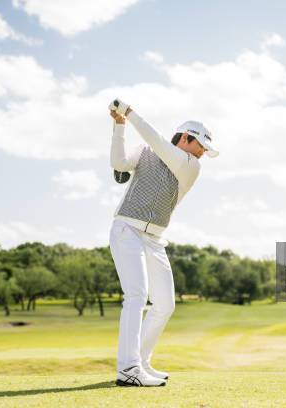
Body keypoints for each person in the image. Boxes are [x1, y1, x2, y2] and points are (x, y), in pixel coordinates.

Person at [107, 98, 218, 387]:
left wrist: (129, 113)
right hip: (127, 230)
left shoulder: (190, 165)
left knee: (165, 304)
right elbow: (119, 164)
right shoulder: (145, 152)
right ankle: (128, 369)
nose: (203, 153)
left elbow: (156, 141)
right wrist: (119, 127)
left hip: (154, 239)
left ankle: (140, 362)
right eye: (201, 146)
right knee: (136, 295)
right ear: (185, 138)